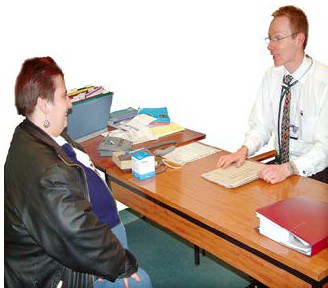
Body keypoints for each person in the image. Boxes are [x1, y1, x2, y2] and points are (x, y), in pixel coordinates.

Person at [4, 56, 151, 288]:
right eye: (64, 96)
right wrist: (121, 265)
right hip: (66, 270)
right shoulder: (45, 169)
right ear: (44, 104)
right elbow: (77, 233)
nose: (70, 104)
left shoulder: (35, 135)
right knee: (140, 282)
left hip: (93, 246)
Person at [217, 5, 328, 184]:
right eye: (269, 39)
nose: (270, 46)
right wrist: (243, 151)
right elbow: (261, 127)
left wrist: (289, 169)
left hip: (315, 172)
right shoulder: (272, 76)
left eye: (277, 38)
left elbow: (325, 149)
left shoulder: (324, 82)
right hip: (280, 166)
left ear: (299, 39)